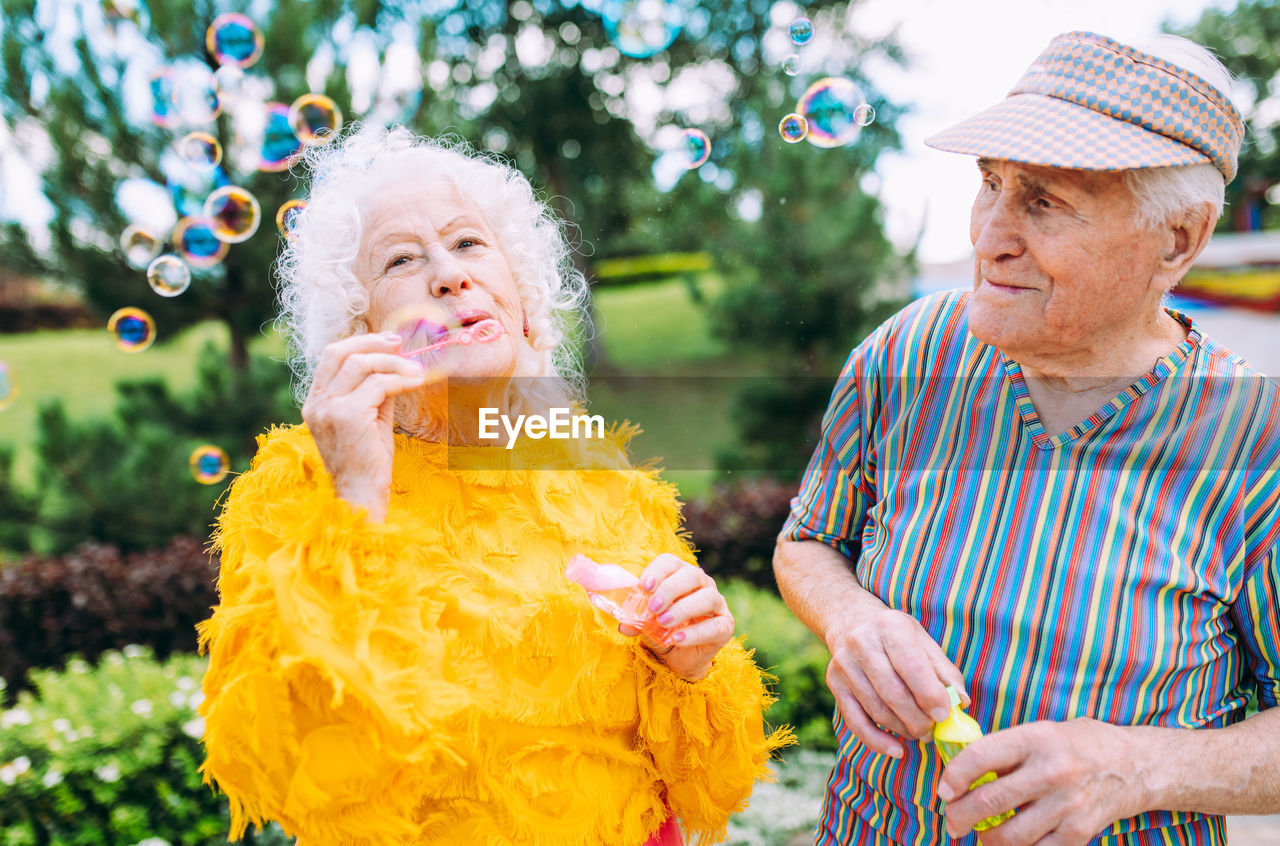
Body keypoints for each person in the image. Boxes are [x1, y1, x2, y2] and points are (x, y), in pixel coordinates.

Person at [196, 125, 792, 846]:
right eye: (401, 260)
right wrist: (355, 492)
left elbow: (712, 786)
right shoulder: (296, 486)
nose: (448, 274)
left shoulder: (595, 475)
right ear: (359, 325)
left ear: (523, 293)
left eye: (470, 243)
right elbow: (292, 768)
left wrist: (695, 664)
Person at [774, 31, 1280, 846]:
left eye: (1044, 201)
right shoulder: (907, 353)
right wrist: (850, 619)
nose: (988, 236)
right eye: (990, 185)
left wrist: (1137, 769)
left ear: (1178, 240)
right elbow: (807, 544)